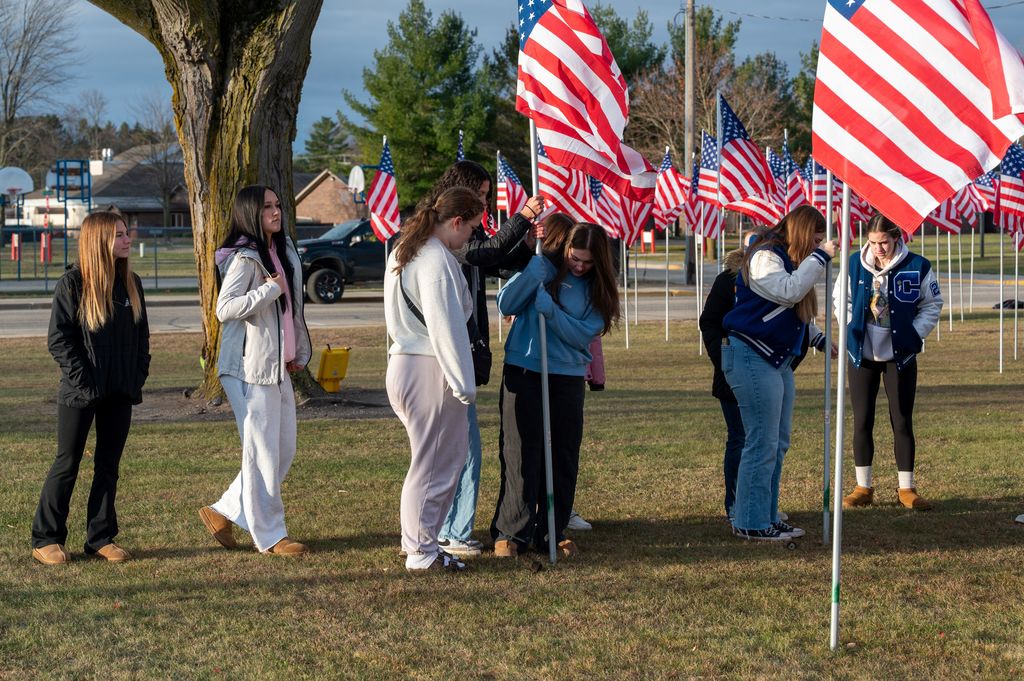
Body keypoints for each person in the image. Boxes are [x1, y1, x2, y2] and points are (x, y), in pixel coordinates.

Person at [418, 160, 545, 559]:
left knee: (456, 449)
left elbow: (496, 261)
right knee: (461, 451)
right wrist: (522, 218)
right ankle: (449, 531)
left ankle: (441, 529)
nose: (486, 206)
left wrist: (526, 244)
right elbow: (483, 252)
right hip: (447, 358)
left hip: (460, 355)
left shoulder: (456, 238)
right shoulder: (444, 241)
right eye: (483, 196)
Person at [491, 222, 620, 558]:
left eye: (588, 262)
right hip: (524, 368)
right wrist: (532, 274)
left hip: (566, 375)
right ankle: (512, 532)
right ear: (565, 250)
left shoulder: (598, 290)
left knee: (562, 455)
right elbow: (506, 304)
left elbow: (582, 335)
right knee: (521, 451)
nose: (579, 266)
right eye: (575, 258)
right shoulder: (542, 267)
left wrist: (551, 313)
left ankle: (551, 529)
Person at [199, 185, 312, 556]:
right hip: (249, 369)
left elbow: (290, 309)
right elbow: (225, 309)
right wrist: (268, 291)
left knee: (283, 450)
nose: (276, 212)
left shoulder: (282, 249)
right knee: (263, 454)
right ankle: (271, 536)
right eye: (267, 207)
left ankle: (223, 511)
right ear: (251, 213)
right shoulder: (246, 258)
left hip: (277, 366)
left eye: (278, 205)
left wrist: (294, 350)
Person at [32, 211, 150, 564]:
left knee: (108, 466)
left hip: (119, 391)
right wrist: (86, 383)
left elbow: (142, 338)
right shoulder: (72, 284)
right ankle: (46, 539)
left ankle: (100, 538)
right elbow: (60, 340)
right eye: (119, 235)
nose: (127, 239)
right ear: (99, 240)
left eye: (126, 233)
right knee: (67, 463)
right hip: (79, 393)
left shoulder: (131, 283)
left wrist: (135, 377)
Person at [722, 205, 837, 542]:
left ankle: (767, 515)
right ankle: (750, 520)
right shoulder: (765, 256)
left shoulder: (789, 259)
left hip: (775, 359)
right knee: (762, 442)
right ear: (801, 233)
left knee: (778, 442)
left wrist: (816, 337)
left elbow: (788, 310)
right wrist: (820, 258)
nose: (817, 246)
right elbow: (788, 292)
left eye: (820, 242)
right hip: (751, 354)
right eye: (814, 240)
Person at [385, 186, 484, 573]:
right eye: (472, 228)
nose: (471, 237)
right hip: (430, 369)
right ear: (456, 222)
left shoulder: (406, 249)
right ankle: (421, 551)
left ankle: (422, 545)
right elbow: (447, 328)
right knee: (435, 466)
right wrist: (463, 383)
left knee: (434, 462)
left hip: (407, 363)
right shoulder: (435, 260)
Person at [837, 213, 942, 510]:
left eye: (884, 242)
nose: (878, 248)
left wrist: (914, 334)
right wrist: (851, 327)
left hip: (900, 355)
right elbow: (841, 300)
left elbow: (932, 304)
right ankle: (863, 487)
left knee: (902, 419)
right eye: (873, 242)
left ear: (897, 237)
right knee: (862, 419)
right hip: (862, 354)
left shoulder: (918, 266)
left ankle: (906, 488)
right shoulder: (854, 263)